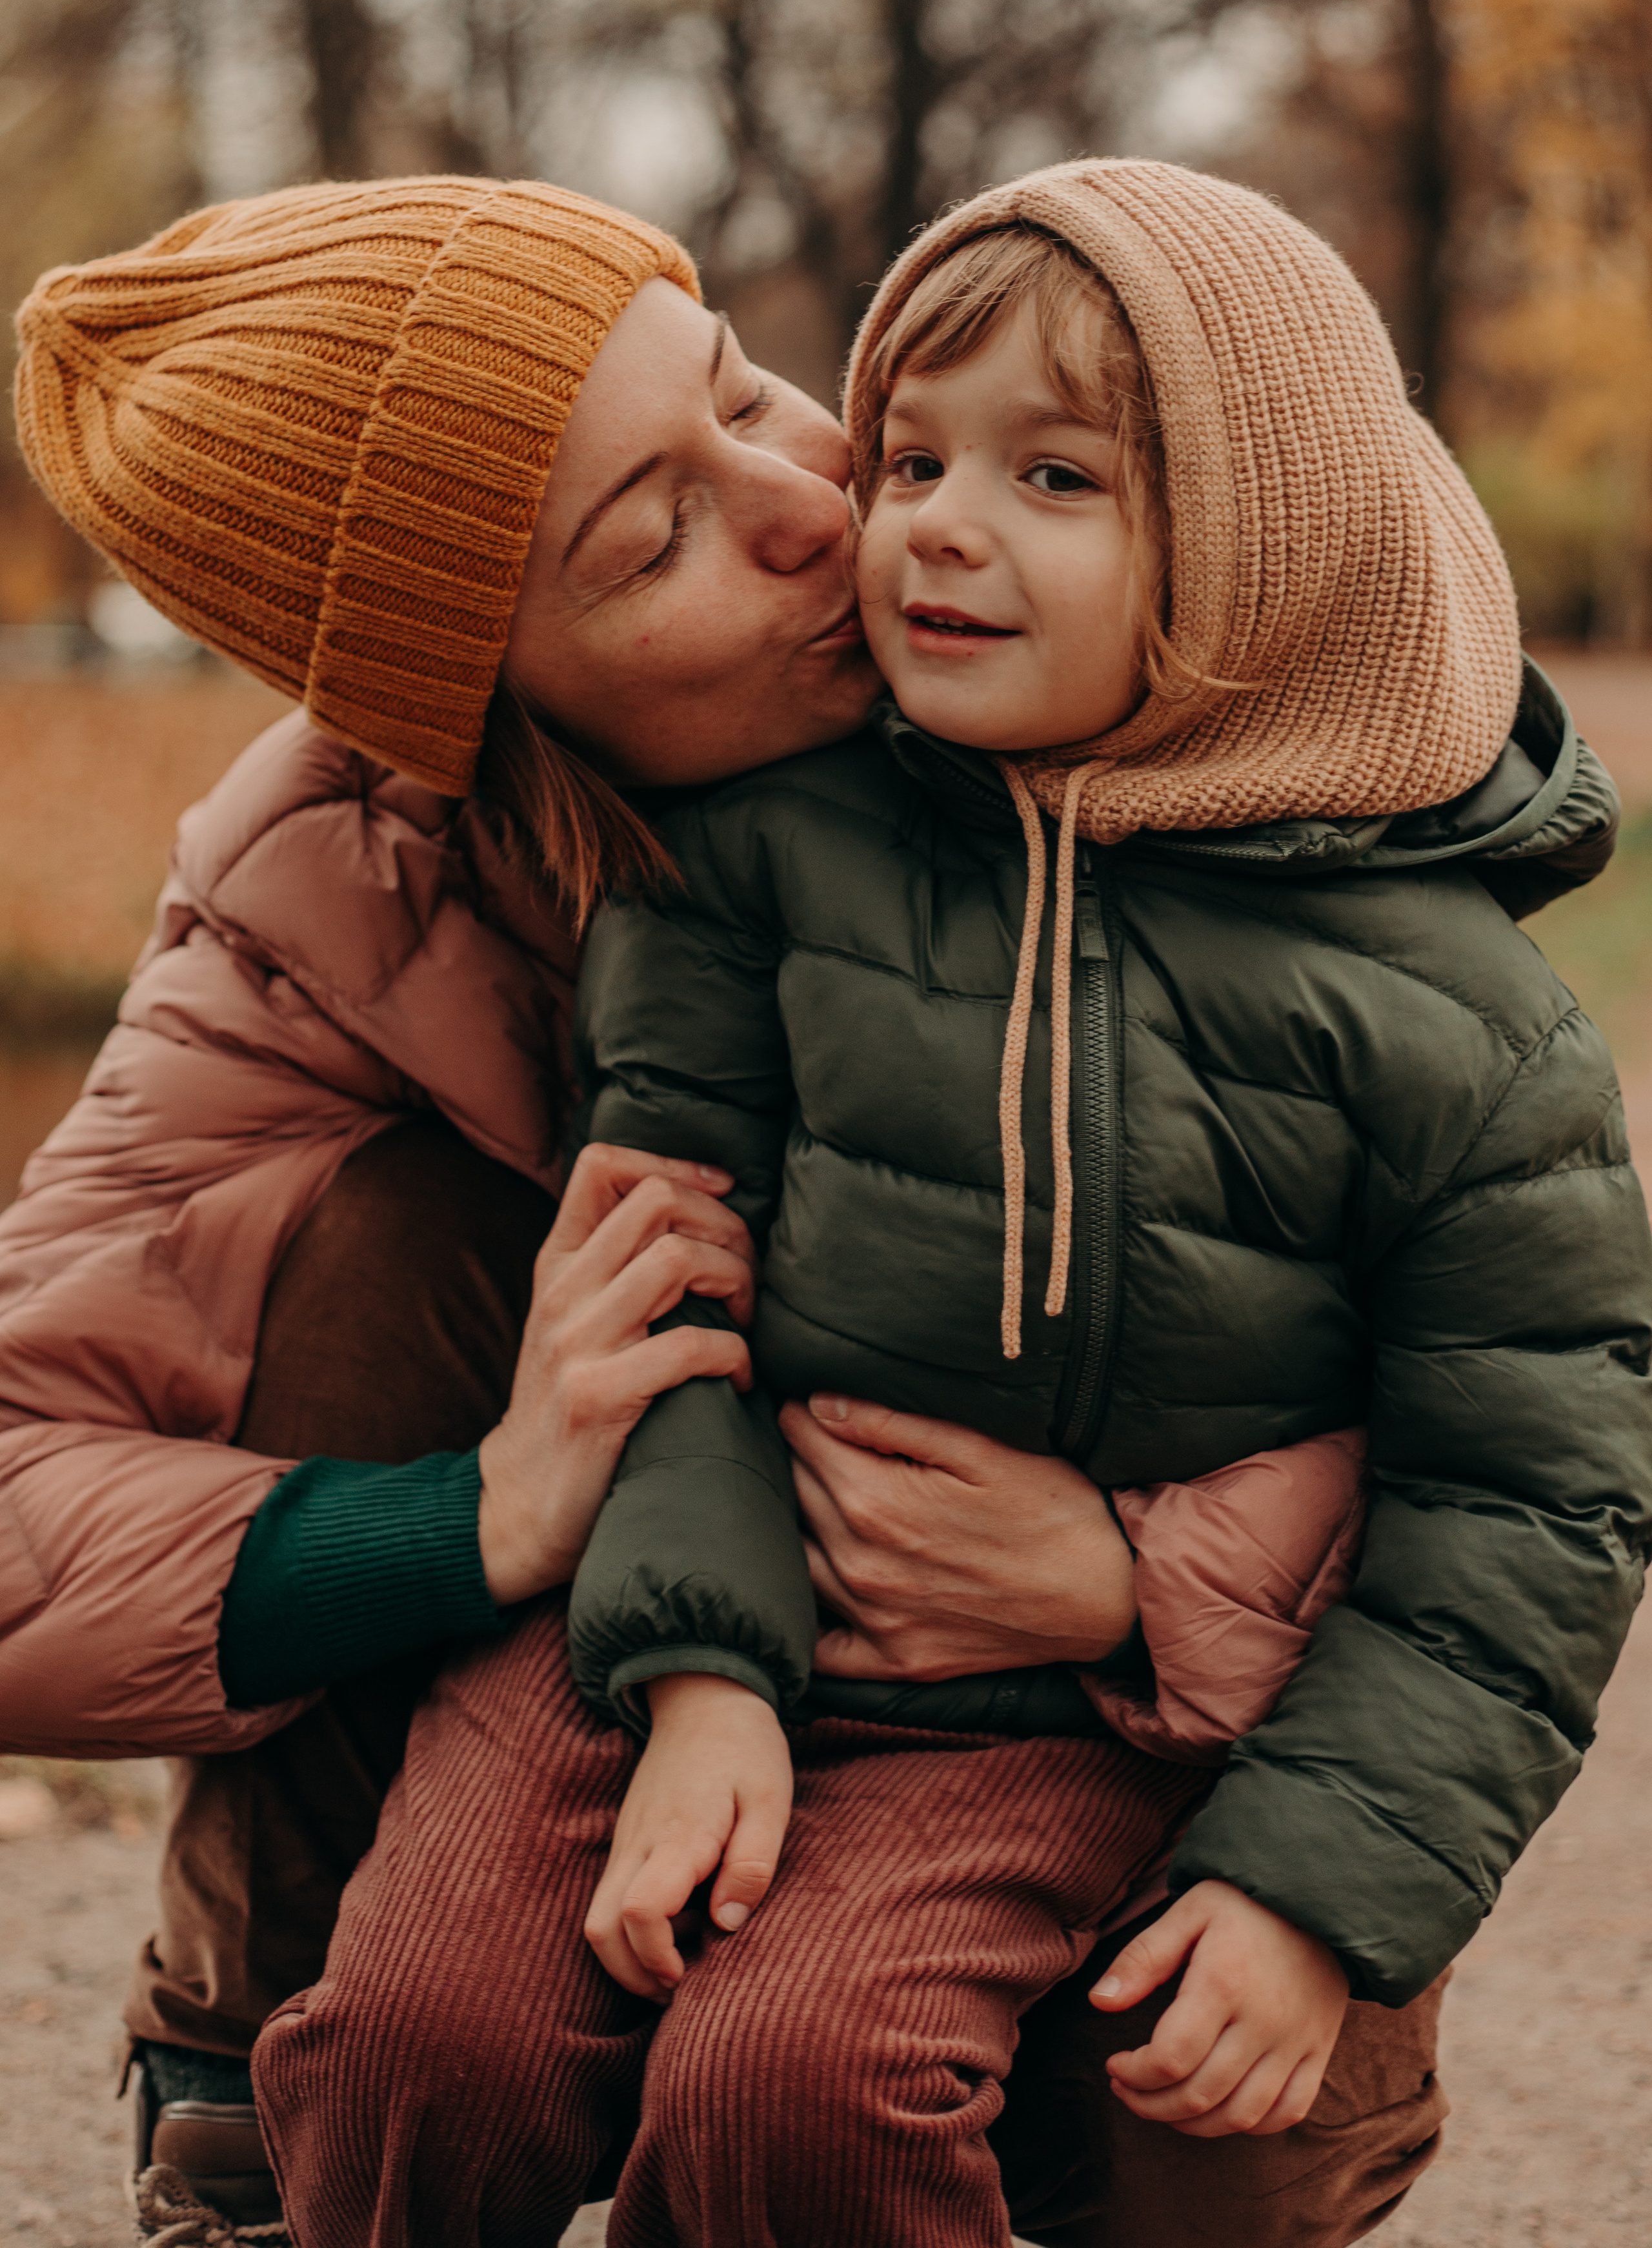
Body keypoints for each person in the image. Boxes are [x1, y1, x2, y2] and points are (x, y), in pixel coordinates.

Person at [5, 170, 1450, 2247]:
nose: (811, 506)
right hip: (646, 1688)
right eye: (655, 532)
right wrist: (483, 1509)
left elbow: (1529, 1396)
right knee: (366, 1247)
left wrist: (1149, 1577)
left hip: (1106, 1727)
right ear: (482, 716)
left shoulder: (1208, 711)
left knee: (1162, 2139)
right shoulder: (332, 897)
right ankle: (266, 2067)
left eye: (750, 395)